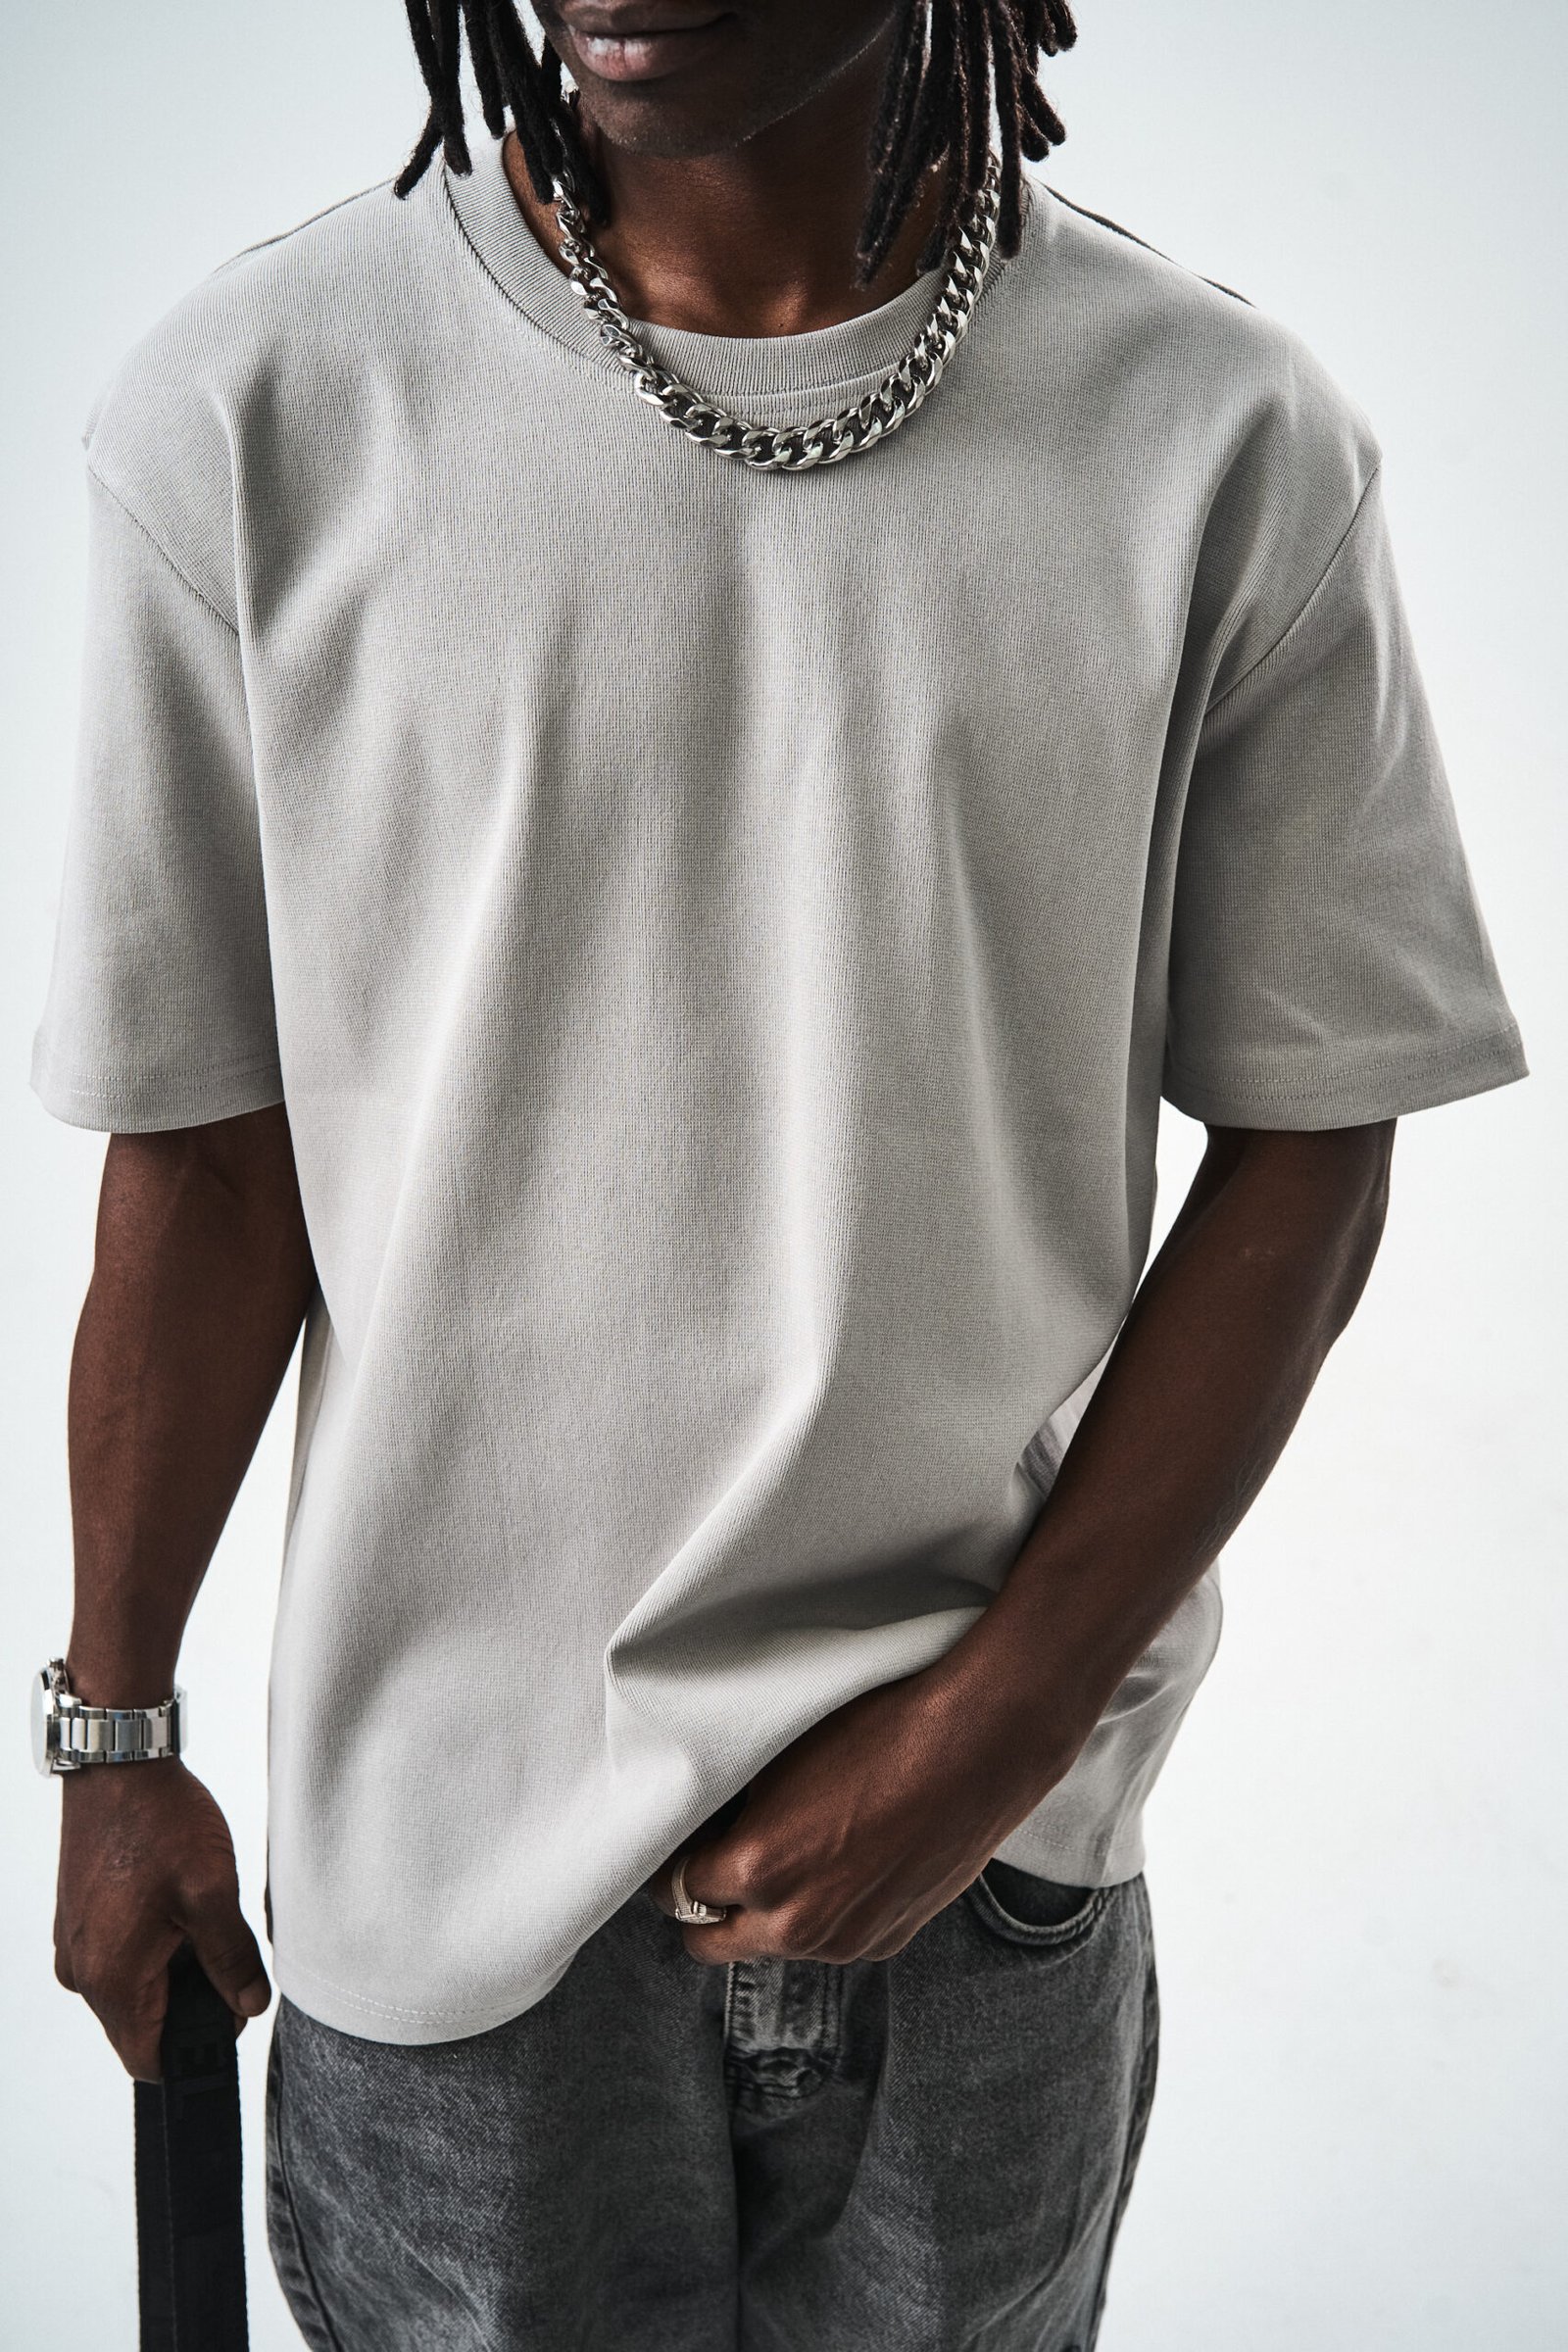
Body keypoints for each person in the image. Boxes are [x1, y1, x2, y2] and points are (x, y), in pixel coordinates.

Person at [31, 3, 1526, 2346]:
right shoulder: (252, 411)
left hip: (982, 1886)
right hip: (450, 1879)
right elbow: (213, 1172)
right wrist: (115, 1741)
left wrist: (1002, 1728)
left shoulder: (1214, 436)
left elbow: (1313, 1133)